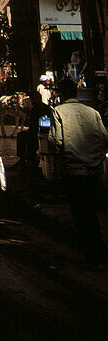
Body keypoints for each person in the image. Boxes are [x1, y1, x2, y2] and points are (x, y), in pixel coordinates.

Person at [49, 76, 108, 268]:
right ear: (76, 93)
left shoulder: (58, 111)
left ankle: (92, 254)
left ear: (60, 94)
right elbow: (104, 137)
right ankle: (94, 252)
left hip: (73, 170)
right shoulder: (92, 112)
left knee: (81, 212)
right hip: (93, 169)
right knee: (89, 209)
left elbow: (55, 141)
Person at [16, 89, 49, 167]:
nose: (33, 102)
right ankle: (24, 158)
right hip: (38, 131)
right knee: (22, 135)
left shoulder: (38, 109)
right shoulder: (42, 108)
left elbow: (34, 125)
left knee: (25, 136)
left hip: (40, 132)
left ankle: (26, 159)